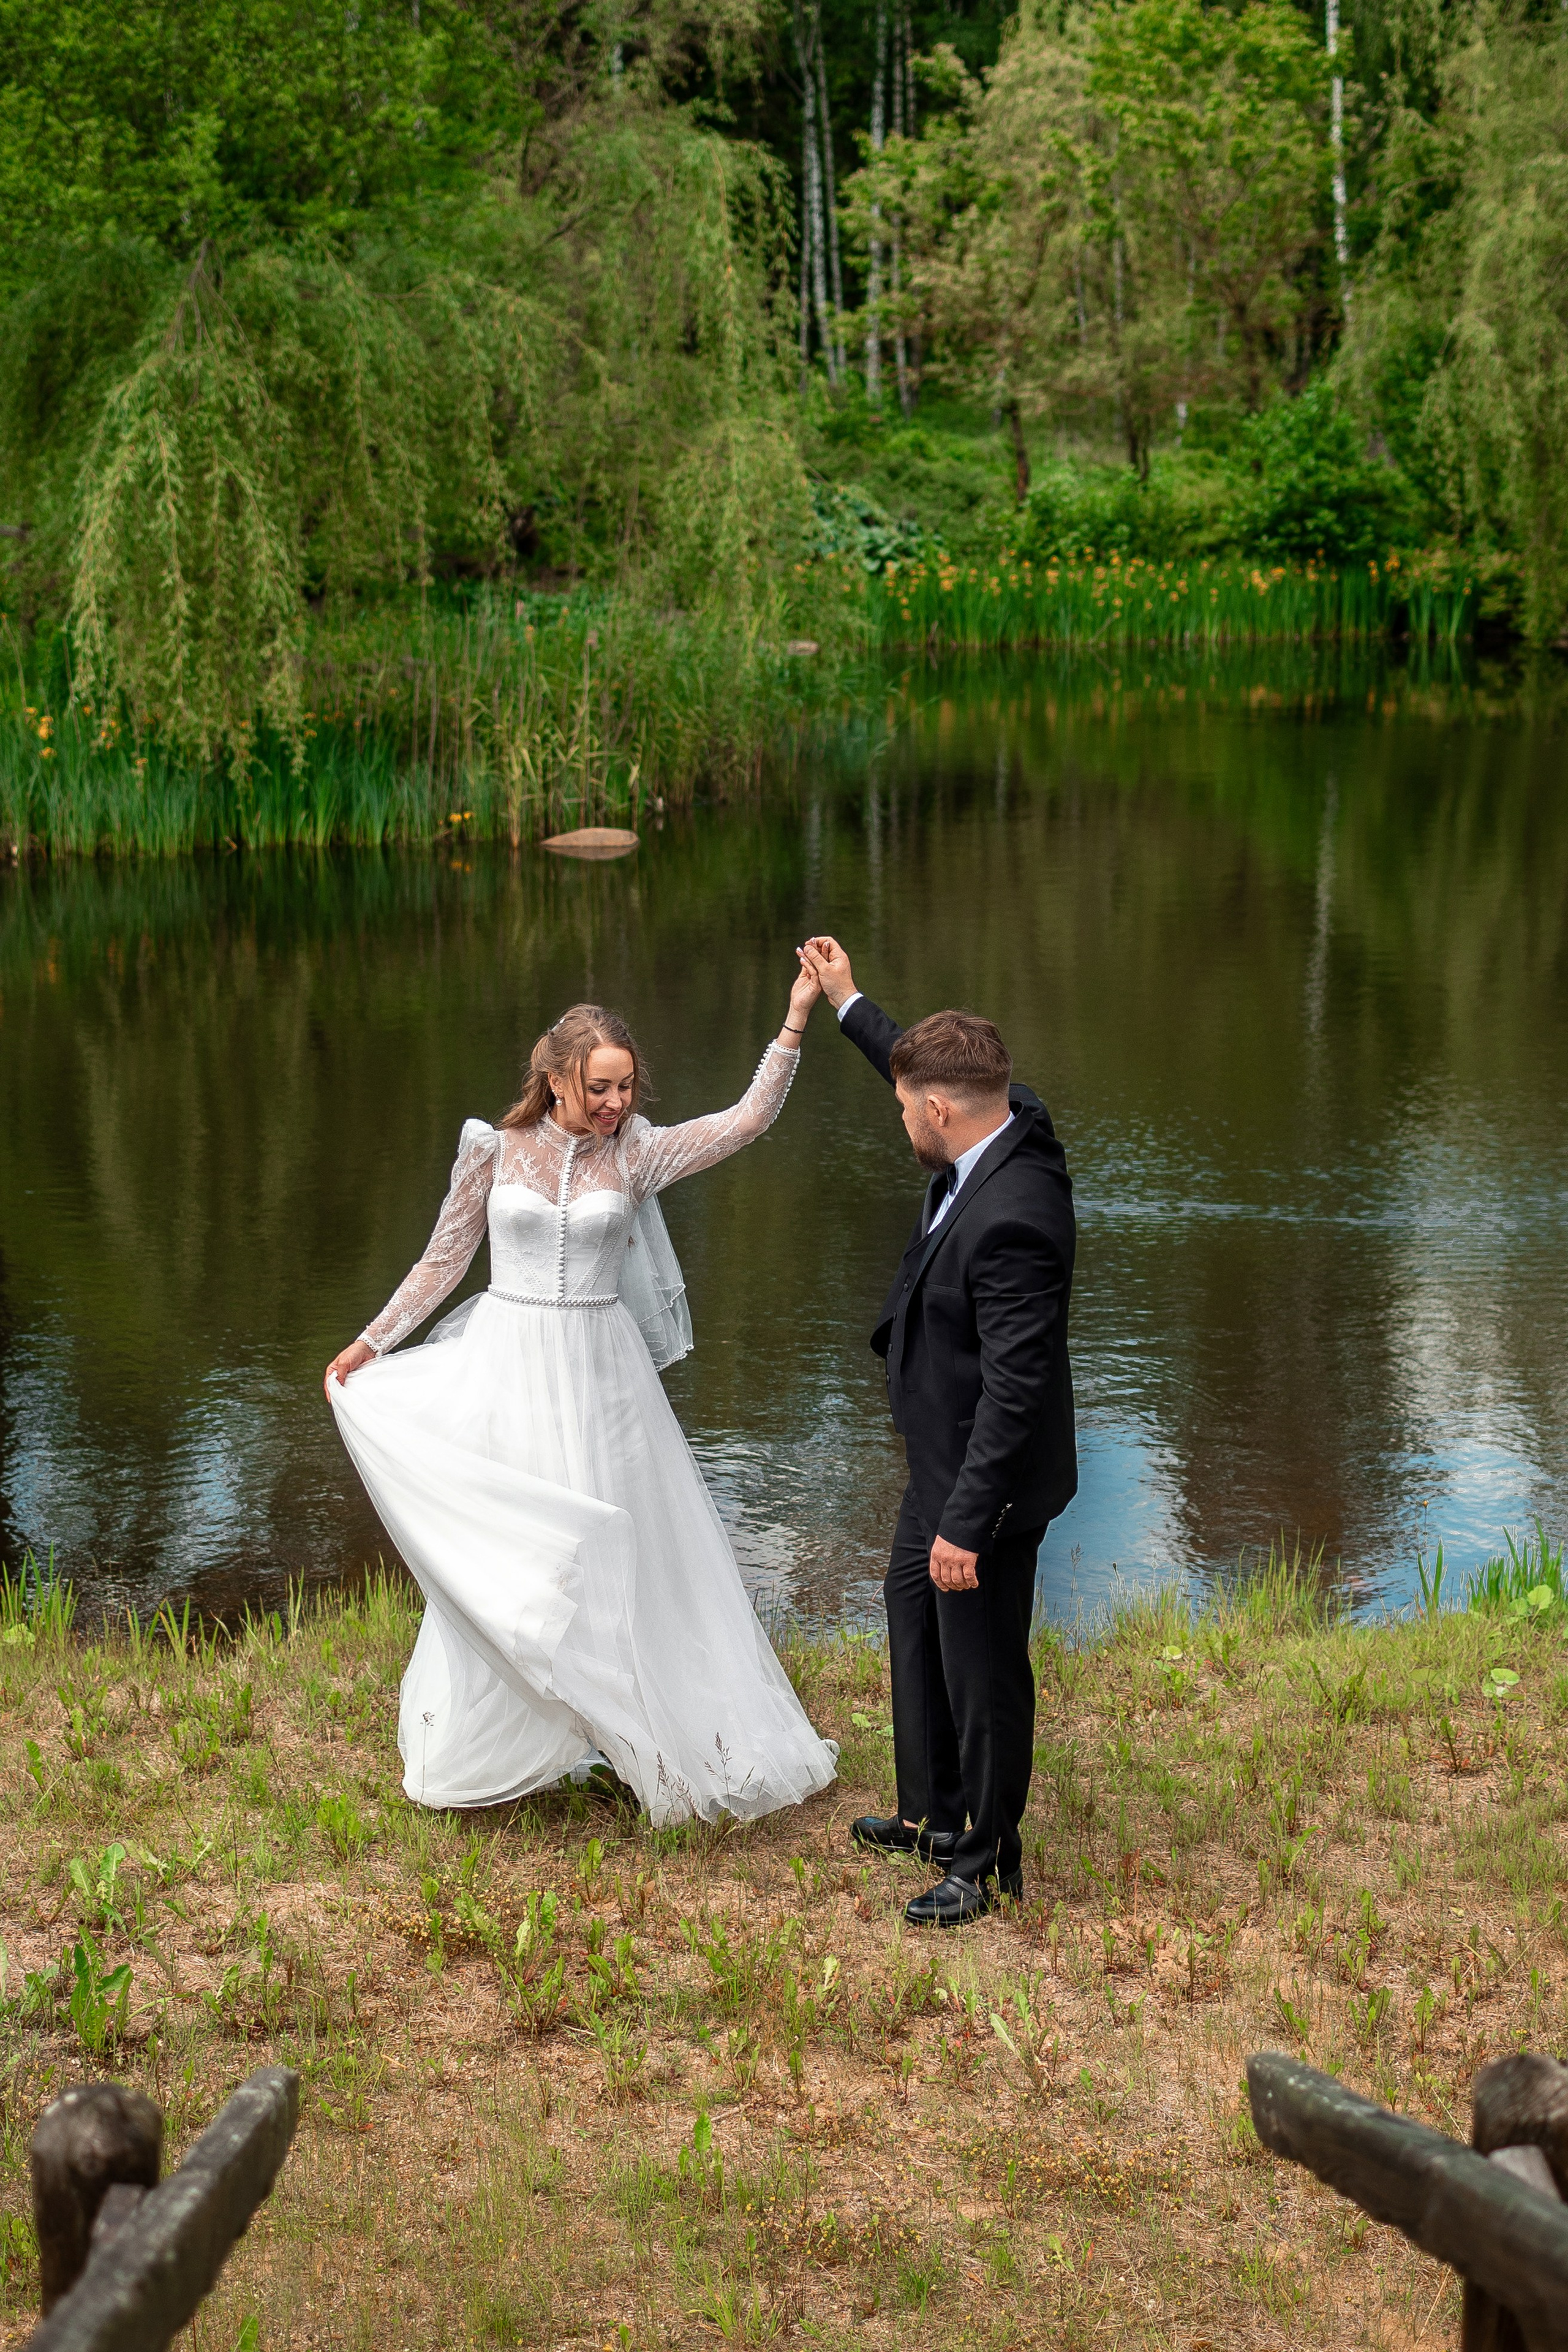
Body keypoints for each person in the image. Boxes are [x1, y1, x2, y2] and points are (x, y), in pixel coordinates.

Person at [323, 976, 837, 1822]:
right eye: (600, 1087)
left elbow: (746, 1122)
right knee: (520, 1556)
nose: (616, 1103)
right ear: (556, 1078)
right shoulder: (493, 1150)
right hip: (509, 1367)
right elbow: (444, 1261)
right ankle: (523, 1730)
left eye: (626, 1086)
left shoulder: (637, 1153)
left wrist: (793, 1020)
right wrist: (371, 1343)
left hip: (604, 1374)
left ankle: (635, 1737)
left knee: (620, 1548)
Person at [800, 937, 1076, 1927]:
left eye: (907, 1109)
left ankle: (987, 1863)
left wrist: (968, 1522)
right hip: (940, 1460)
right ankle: (931, 1814)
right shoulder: (1001, 1111)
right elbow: (918, 1067)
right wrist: (848, 1001)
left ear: (943, 1114)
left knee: (982, 1663)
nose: (903, 1116)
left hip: (984, 1480)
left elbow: (1017, 1387)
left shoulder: (1017, 1217)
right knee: (913, 1612)